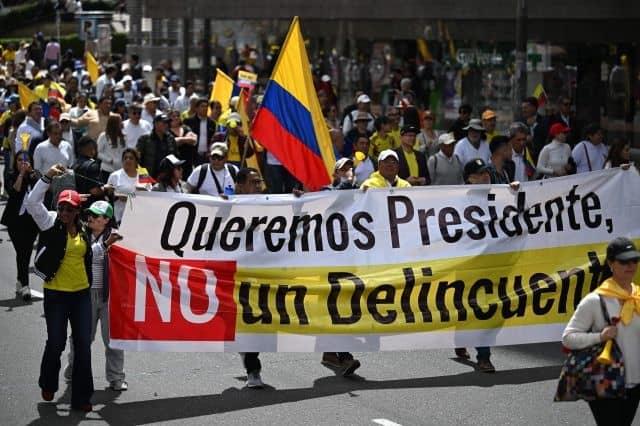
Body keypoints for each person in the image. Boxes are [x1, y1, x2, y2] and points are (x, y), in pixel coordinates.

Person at [26, 165, 94, 412]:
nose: (64, 212)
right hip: (56, 294)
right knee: (56, 342)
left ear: (77, 212)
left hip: (82, 294)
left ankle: (82, 397)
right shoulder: (49, 222)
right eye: (61, 207)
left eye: (69, 209)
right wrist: (48, 177)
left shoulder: (85, 228)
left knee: (83, 345)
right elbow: (32, 202)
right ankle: (48, 383)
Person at [562, 237, 640, 426]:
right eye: (624, 261)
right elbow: (568, 338)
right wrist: (600, 336)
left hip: (635, 382)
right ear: (611, 263)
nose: (630, 266)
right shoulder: (594, 301)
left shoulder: (638, 296)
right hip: (605, 378)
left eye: (634, 260)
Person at [63, 201, 126, 391]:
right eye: (89, 214)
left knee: (113, 339)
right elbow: (85, 257)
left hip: (110, 296)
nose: (90, 218)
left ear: (106, 220)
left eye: (95, 215)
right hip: (85, 294)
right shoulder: (80, 234)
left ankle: (116, 378)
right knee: (82, 338)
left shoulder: (119, 237)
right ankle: (74, 370)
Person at [1, 151, 41, 300]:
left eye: (26, 160)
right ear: (15, 162)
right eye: (19, 160)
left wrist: (31, 174)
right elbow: (14, 190)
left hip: (31, 221)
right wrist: (21, 174)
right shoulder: (11, 175)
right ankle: (25, 285)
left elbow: (42, 190)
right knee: (21, 251)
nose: (22, 163)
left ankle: (21, 281)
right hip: (14, 221)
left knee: (26, 252)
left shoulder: (34, 175)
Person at [105, 148, 141, 224]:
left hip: (139, 214)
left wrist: (129, 199)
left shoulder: (143, 174)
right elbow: (108, 196)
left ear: (136, 161)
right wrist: (111, 193)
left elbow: (149, 195)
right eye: (125, 158)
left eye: (131, 158)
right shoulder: (114, 175)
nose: (128, 160)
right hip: (120, 216)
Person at [136, 114, 178, 179]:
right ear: (156, 124)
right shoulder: (145, 139)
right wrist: (144, 177)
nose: (166, 125)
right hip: (149, 177)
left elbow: (175, 157)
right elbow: (137, 160)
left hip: (166, 177)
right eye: (164, 123)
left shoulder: (170, 138)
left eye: (167, 123)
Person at [183, 98, 217, 166]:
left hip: (207, 155)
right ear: (196, 108)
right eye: (202, 106)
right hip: (193, 155)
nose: (205, 108)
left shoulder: (212, 123)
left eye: (206, 106)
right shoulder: (188, 121)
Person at [97, 115, 127, 183]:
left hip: (120, 170)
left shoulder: (124, 136)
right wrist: (109, 160)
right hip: (107, 170)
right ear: (114, 124)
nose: (122, 123)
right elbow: (98, 153)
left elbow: (125, 151)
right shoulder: (103, 136)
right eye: (120, 122)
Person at [520, 96, 549, 161]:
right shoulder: (520, 123)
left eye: (526, 108)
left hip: (542, 158)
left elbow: (547, 139)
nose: (523, 110)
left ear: (534, 108)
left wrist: (534, 127)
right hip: (526, 159)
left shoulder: (545, 121)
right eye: (522, 108)